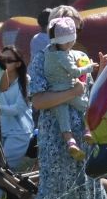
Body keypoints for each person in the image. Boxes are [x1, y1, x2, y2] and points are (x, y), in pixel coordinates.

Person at [23, 21, 107, 199]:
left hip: (83, 135)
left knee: (82, 191)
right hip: (55, 135)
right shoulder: (41, 60)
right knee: (48, 192)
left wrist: (101, 71)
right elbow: (39, 101)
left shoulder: (81, 57)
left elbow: (90, 94)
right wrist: (71, 92)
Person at [38, 17, 92, 161]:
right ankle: (88, 130)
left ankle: (71, 142)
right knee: (87, 107)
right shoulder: (57, 56)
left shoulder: (51, 53)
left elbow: (90, 86)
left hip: (56, 94)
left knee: (64, 119)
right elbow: (37, 102)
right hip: (53, 141)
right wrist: (90, 67)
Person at [0, 47, 35, 173]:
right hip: (0, 130)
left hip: (19, 133)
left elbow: (18, 109)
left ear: (18, 63)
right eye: (1, 59)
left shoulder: (25, 80)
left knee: (3, 169)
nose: (3, 63)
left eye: (8, 60)